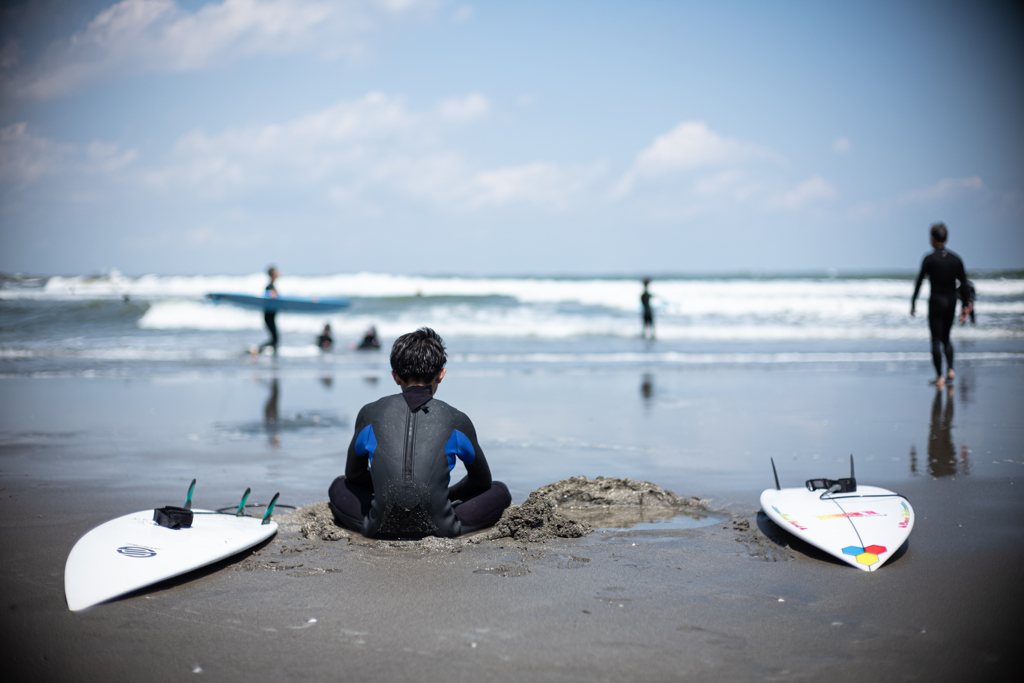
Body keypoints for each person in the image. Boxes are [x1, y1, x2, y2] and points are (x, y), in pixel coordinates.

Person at [328, 328, 511, 539]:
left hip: (378, 526)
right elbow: (481, 481)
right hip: (442, 528)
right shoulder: (457, 419)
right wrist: (447, 494)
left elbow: (354, 475)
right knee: (499, 490)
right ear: (441, 374)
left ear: (395, 376)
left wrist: (386, 491)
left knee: (339, 485)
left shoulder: (369, 413)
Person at [911, 223, 970, 387]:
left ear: (932, 238)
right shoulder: (956, 259)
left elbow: (919, 281)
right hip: (951, 302)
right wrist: (965, 304)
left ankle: (939, 377)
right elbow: (964, 283)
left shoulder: (929, 259)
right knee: (946, 338)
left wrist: (913, 301)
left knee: (936, 340)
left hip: (936, 301)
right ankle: (950, 369)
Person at [252, 266, 280, 357]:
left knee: (275, 339)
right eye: (277, 271)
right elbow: (270, 297)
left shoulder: (272, 286)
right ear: (273, 274)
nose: (279, 273)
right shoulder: (269, 286)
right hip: (268, 316)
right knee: (275, 339)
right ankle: (258, 350)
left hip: (271, 316)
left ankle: (271, 355)